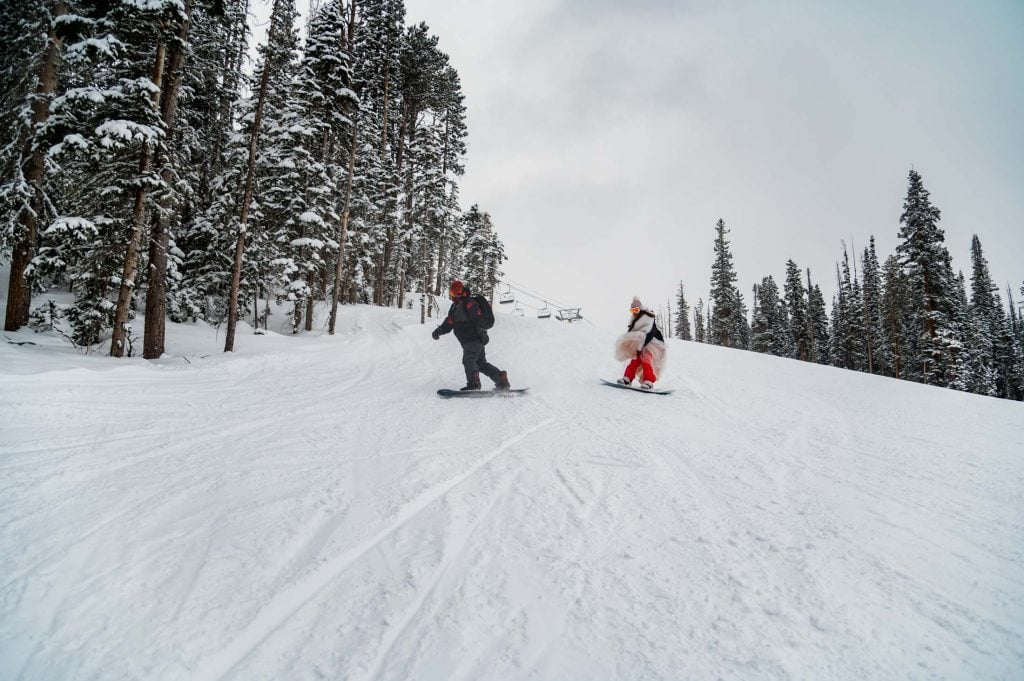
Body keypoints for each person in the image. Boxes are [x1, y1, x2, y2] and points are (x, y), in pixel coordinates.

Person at [432, 280, 511, 391]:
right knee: (481, 364)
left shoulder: (469, 303)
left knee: (468, 360)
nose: (455, 295)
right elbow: (449, 323)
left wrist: (480, 332)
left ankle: (474, 384)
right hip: (473, 340)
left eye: (457, 292)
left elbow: (478, 319)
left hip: (472, 339)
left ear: (462, 291)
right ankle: (501, 380)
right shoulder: (455, 307)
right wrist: (438, 331)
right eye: (453, 293)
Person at [613, 296, 667, 389]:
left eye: (636, 309)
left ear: (640, 308)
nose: (635, 312)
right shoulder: (634, 319)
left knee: (646, 359)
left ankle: (649, 381)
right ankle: (627, 378)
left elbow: (650, 333)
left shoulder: (648, 317)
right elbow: (632, 333)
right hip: (640, 344)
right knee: (635, 360)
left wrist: (642, 345)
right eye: (632, 310)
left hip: (652, 343)